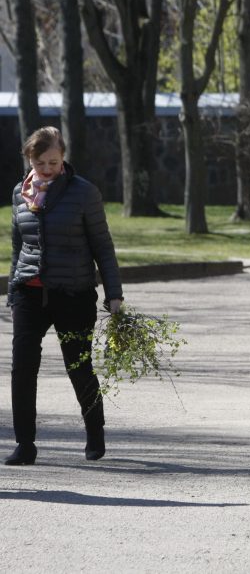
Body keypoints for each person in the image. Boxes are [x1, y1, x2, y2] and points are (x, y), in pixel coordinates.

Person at [5, 126, 124, 466]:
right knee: (22, 369)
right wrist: (13, 289)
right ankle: (25, 443)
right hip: (29, 292)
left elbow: (103, 245)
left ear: (63, 157)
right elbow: (19, 246)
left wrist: (114, 294)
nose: (46, 169)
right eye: (40, 162)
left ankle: (94, 432)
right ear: (30, 159)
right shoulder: (20, 194)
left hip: (74, 293)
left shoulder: (84, 193)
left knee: (78, 365)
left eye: (53, 162)